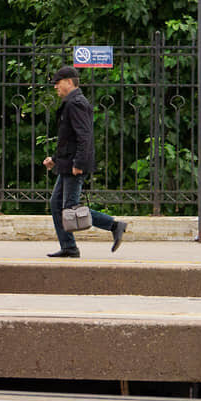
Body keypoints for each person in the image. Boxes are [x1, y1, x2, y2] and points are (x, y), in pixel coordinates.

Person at [42, 66, 127, 258]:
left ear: (69, 82)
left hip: (74, 165)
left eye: (58, 82)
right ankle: (69, 247)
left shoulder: (76, 103)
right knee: (57, 204)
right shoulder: (70, 102)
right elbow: (68, 139)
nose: (56, 86)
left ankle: (113, 225)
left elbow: (85, 137)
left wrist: (78, 164)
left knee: (70, 207)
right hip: (67, 164)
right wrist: (55, 160)